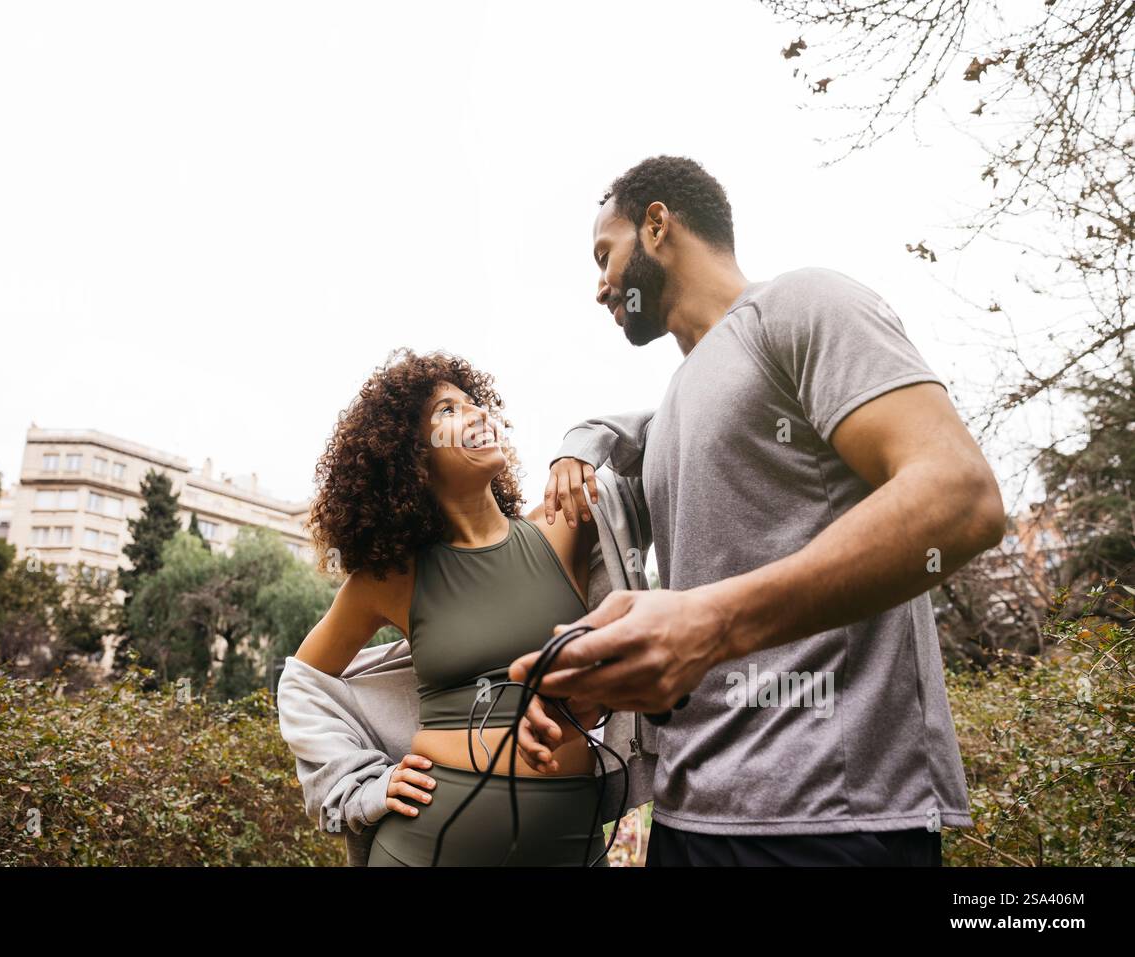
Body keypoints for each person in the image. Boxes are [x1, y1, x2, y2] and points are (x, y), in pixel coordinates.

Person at [509, 155, 1007, 866]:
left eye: (604, 255)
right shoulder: (677, 402)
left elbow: (961, 498)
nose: (599, 287)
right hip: (686, 820)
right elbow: (682, 602)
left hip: (831, 824)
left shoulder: (803, 305)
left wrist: (711, 624)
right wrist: (591, 677)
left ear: (657, 225)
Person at [288, 348, 614, 866]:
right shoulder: (391, 577)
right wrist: (362, 786)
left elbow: (665, 444)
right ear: (407, 453)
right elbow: (302, 684)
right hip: (425, 846)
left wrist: (582, 445)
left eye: (474, 403)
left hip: (570, 843)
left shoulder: (561, 526)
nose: (478, 413)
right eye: (448, 410)